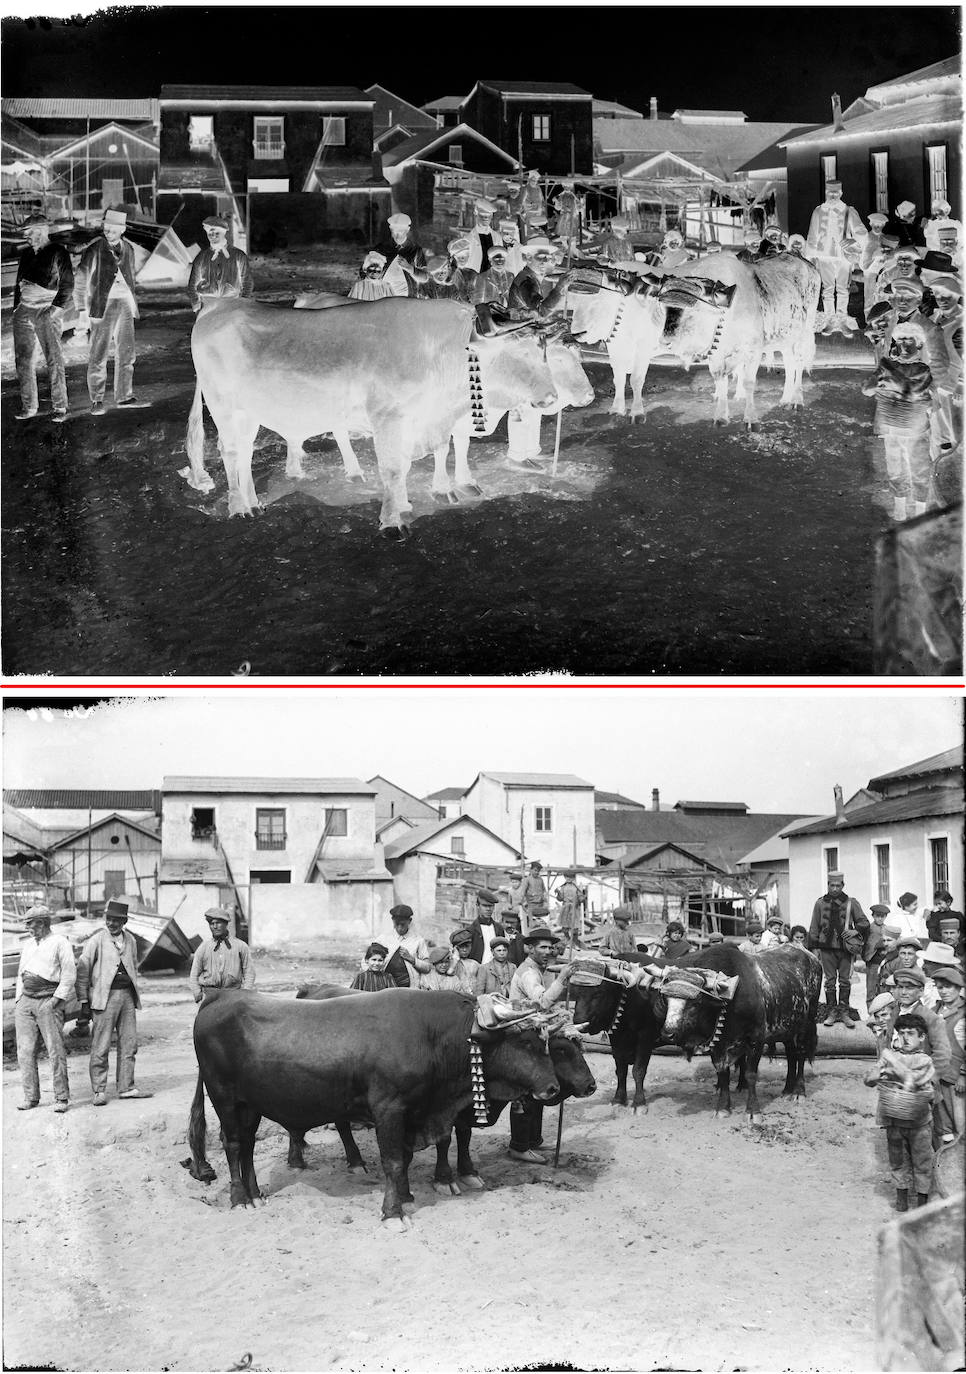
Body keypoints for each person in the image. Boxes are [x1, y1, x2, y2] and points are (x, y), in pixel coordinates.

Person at [507, 927, 574, 1164]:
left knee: (538, 1091)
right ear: (529, 948)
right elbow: (542, 1001)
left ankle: (533, 1140)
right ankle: (519, 1146)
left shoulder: (538, 969)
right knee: (524, 1094)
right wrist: (563, 979)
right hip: (521, 1039)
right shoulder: (528, 973)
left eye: (551, 947)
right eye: (543, 947)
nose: (548, 951)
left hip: (533, 1035)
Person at [74, 208, 149, 415]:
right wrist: (81, 309)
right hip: (102, 305)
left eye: (113, 229)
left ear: (122, 230)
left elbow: (131, 277)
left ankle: (124, 396)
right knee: (99, 353)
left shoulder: (129, 250)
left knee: (126, 351)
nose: (108, 232)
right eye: (106, 228)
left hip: (125, 304)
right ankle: (97, 399)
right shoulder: (95, 248)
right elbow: (80, 279)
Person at [74, 901, 151, 1105]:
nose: (112, 923)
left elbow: (133, 965)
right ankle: (99, 1090)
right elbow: (83, 971)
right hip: (104, 998)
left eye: (116, 920)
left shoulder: (131, 940)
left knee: (129, 1043)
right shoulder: (97, 940)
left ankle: (126, 1087)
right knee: (101, 1045)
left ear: (124, 921)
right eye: (109, 919)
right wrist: (83, 1000)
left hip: (127, 996)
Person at [861, 323, 934, 522]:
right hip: (890, 426)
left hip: (915, 427)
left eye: (909, 340)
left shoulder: (923, 369)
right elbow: (867, 389)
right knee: (894, 467)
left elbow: (910, 390)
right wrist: (881, 381)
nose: (903, 345)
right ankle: (900, 506)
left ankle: (920, 510)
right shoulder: (886, 364)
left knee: (918, 468)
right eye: (900, 340)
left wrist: (885, 383)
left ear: (919, 345)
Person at [865, 1012, 936, 1211]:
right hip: (893, 1120)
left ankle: (922, 1203)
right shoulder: (891, 1055)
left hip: (918, 1123)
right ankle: (902, 1199)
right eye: (902, 1033)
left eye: (911, 1033)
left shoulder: (924, 1060)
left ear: (921, 1037)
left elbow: (917, 1081)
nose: (905, 1038)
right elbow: (869, 1079)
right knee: (898, 1160)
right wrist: (877, 1073)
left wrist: (893, 1070)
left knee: (922, 1162)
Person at [13, 213, 74, 422]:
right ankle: (29, 406)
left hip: (45, 310)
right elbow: (18, 283)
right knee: (23, 360)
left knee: (53, 359)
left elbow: (67, 285)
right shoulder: (27, 254)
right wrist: (16, 309)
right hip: (24, 310)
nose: (26, 237)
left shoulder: (58, 252)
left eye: (29, 233)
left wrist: (55, 310)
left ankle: (60, 407)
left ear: (41, 231)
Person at [14, 906, 76, 1113]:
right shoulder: (29, 944)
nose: (27, 928)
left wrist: (56, 1000)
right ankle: (31, 1097)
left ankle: (61, 1098)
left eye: (30, 924)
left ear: (41, 923)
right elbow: (20, 973)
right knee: (24, 1051)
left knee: (55, 1049)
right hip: (26, 1002)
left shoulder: (60, 942)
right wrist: (19, 1000)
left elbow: (69, 975)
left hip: (48, 1000)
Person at [807, 870, 870, 1028]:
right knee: (829, 982)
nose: (834, 888)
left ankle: (844, 1012)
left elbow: (864, 922)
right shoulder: (820, 903)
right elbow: (814, 926)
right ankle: (831, 1012)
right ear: (827, 885)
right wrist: (814, 949)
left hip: (845, 950)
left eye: (838, 885)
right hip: (826, 949)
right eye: (831, 885)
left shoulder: (851, 903)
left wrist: (855, 931)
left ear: (843, 885)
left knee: (844, 981)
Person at [805, 180, 867, 334]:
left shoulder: (848, 211)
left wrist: (854, 241)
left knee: (843, 289)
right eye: (830, 192)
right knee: (827, 290)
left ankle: (842, 320)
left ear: (841, 193)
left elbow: (861, 232)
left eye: (836, 193)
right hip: (824, 256)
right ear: (826, 193)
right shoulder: (818, 211)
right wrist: (810, 258)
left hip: (843, 256)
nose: (832, 195)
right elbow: (812, 235)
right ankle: (830, 320)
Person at [885, 966, 951, 1085]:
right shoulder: (892, 1014)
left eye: (909, 988)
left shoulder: (931, 1018)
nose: (903, 992)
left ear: (921, 991)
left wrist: (926, 1080)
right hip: (892, 1084)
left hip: (918, 1089)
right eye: (900, 987)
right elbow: (885, 1043)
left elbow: (943, 1055)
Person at [187, 214, 253, 313]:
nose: (213, 236)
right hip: (207, 305)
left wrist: (242, 304)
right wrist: (197, 307)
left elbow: (247, 282)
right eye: (210, 233)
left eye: (216, 233)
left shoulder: (238, 255)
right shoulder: (201, 257)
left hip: (232, 304)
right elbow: (192, 285)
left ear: (223, 233)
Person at [188, 906, 255, 1003]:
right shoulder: (204, 948)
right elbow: (193, 975)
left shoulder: (240, 946)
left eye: (218, 923)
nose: (215, 926)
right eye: (212, 923)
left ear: (226, 924)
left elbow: (249, 973)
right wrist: (197, 993)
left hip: (234, 996)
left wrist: (244, 995)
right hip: (209, 996)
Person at [931, 967, 965, 1141]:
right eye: (939, 987)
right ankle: (944, 1162)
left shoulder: (963, 1011)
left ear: (959, 988)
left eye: (948, 986)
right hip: (938, 1075)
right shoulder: (936, 1009)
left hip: (955, 1077)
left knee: (959, 1122)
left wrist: (963, 1075)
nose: (943, 991)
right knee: (942, 1125)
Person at [507, 237, 573, 321]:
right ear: (529, 257)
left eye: (548, 257)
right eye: (541, 256)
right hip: (521, 331)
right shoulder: (526, 282)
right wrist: (560, 287)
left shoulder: (530, 276)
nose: (545, 261)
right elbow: (541, 312)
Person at [379, 212, 427, 297]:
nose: (397, 235)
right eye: (394, 231)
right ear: (390, 230)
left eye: (400, 231)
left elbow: (424, 277)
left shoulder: (415, 250)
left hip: (406, 297)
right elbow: (364, 272)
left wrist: (410, 268)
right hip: (383, 295)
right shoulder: (382, 248)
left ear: (407, 230)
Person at [382, 904, 431, 987]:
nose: (400, 928)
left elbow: (427, 968)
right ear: (392, 920)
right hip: (385, 985)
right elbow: (366, 961)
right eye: (397, 924)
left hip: (408, 987)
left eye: (403, 924)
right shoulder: (383, 939)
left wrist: (411, 959)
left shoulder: (418, 940)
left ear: (409, 921)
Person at [863, 904, 896, 1007]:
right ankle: (871, 1012)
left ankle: (882, 1011)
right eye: (878, 916)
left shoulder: (887, 929)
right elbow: (865, 944)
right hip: (873, 961)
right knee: (871, 987)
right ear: (873, 916)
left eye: (882, 916)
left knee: (883, 987)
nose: (880, 918)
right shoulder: (869, 928)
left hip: (883, 963)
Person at [462, 892, 505, 964]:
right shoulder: (471, 930)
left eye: (491, 906)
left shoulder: (499, 928)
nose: (488, 909)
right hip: (478, 970)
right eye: (485, 906)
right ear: (477, 906)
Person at [464, 198, 498, 273]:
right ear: (476, 215)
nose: (485, 218)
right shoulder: (468, 239)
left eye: (488, 215)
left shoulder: (497, 237)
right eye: (482, 215)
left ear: (491, 217)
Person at [513, 861, 549, 929]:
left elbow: (544, 890)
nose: (537, 872)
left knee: (541, 923)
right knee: (532, 924)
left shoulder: (540, 880)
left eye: (538, 871)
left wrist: (545, 900)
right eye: (535, 870)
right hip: (531, 905)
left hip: (540, 904)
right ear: (531, 870)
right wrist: (521, 900)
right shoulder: (527, 880)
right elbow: (523, 891)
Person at [554, 871, 585, 942]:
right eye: (567, 877)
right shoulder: (563, 887)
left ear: (573, 878)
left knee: (575, 928)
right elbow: (560, 898)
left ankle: (575, 941)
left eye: (571, 877)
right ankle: (568, 939)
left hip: (574, 908)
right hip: (565, 908)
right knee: (564, 927)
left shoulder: (576, 887)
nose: (569, 879)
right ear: (565, 877)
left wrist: (581, 898)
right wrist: (558, 893)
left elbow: (581, 897)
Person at [449, 928, 481, 995]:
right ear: (455, 948)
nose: (464, 950)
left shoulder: (474, 964)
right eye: (461, 947)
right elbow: (449, 973)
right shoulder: (450, 963)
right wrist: (455, 958)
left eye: (467, 946)